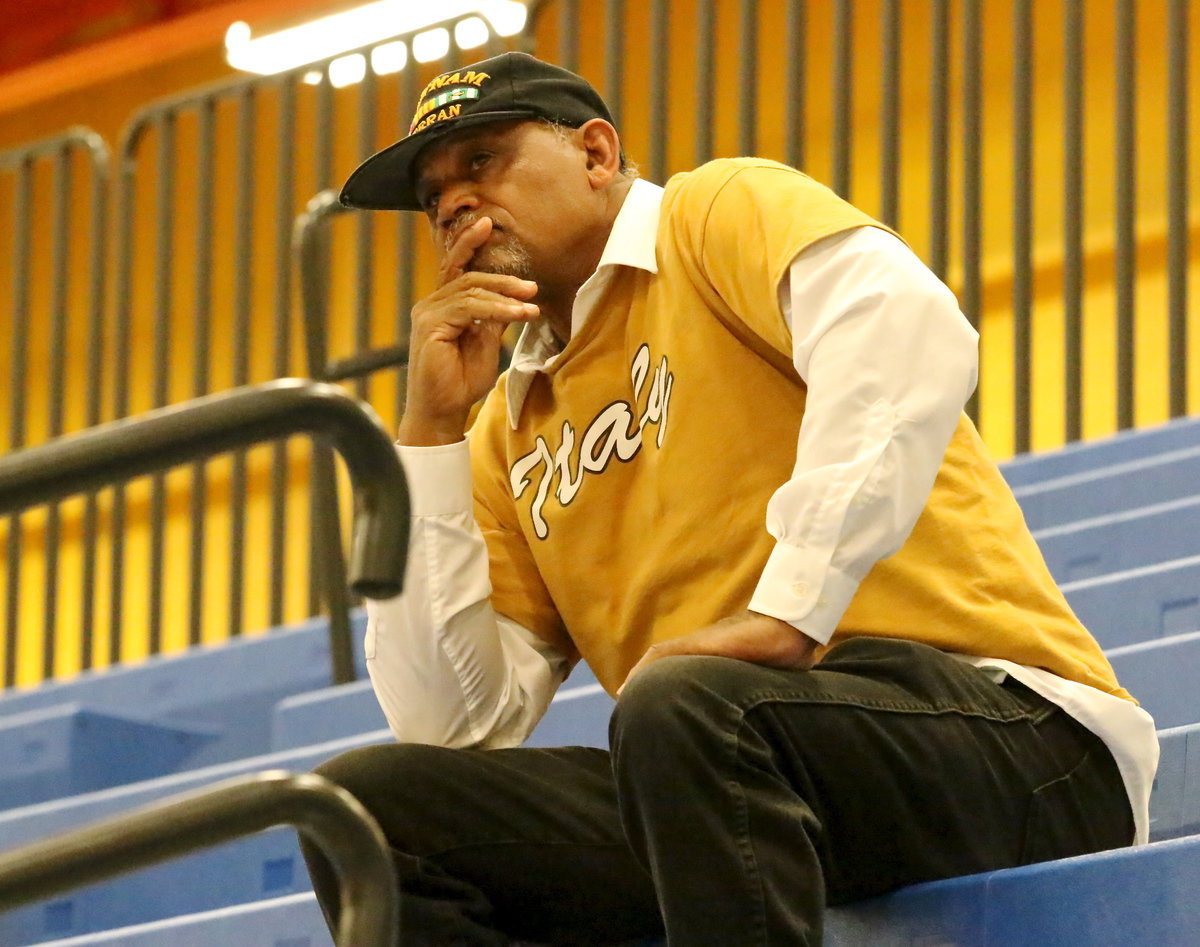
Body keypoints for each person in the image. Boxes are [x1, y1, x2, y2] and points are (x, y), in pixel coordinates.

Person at [302, 52, 1158, 945]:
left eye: (482, 161)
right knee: (364, 815)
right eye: (435, 197)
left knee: (682, 704)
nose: (455, 206)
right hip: (729, 773)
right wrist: (432, 429)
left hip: (1019, 744)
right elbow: (452, 724)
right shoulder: (502, 431)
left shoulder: (713, 212)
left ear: (597, 153)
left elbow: (906, 327)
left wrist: (794, 607)